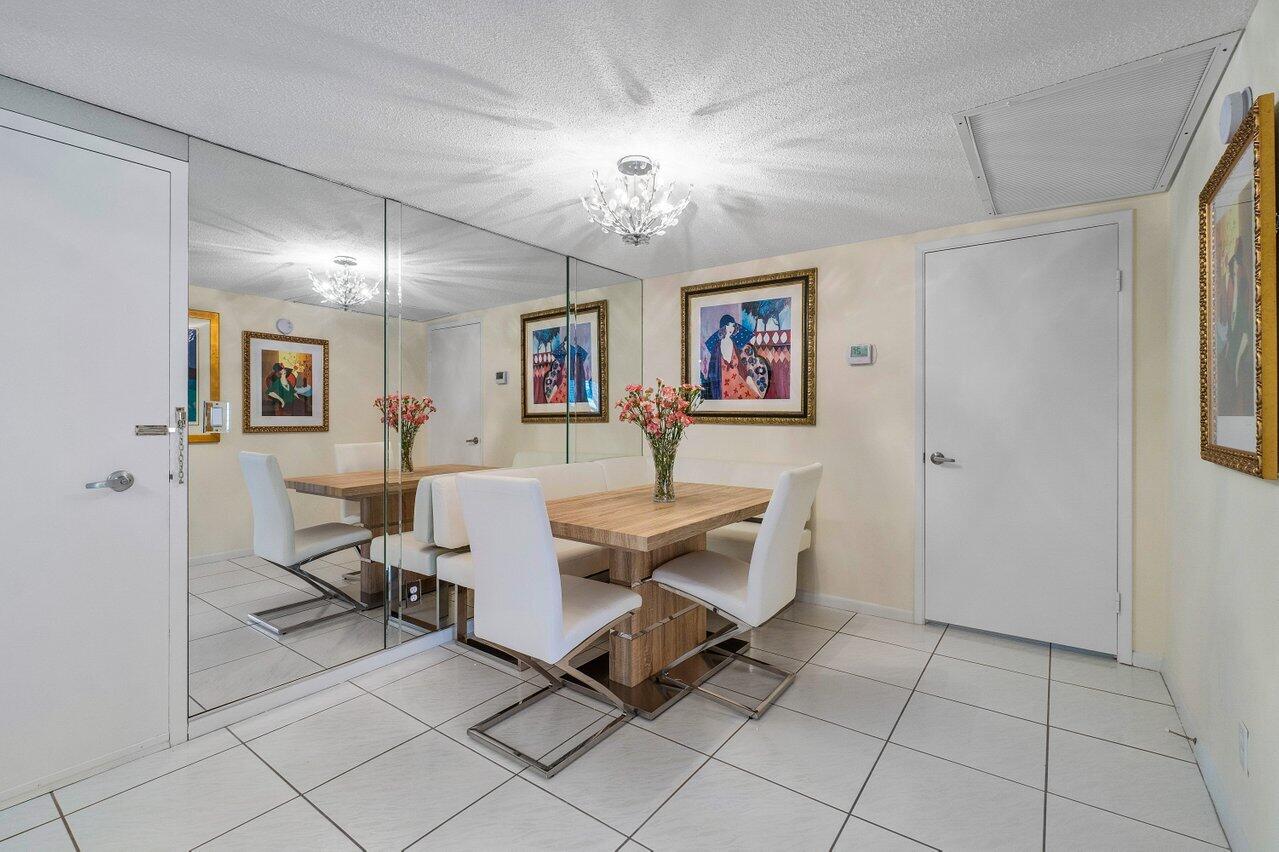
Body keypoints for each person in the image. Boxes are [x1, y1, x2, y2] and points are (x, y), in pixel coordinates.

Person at [703, 313, 763, 400]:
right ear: (723, 327)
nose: (731, 328)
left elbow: (740, 366)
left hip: (737, 383)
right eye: (728, 325)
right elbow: (713, 371)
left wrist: (748, 379)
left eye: (733, 326)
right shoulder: (717, 347)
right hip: (723, 387)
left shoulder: (733, 343)